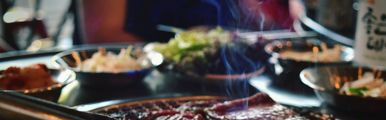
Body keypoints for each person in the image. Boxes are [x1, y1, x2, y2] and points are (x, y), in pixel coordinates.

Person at [78, 0, 292, 44]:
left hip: (221, 82)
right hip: (137, 82)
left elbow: (253, 15)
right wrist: (175, 52)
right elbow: (103, 34)